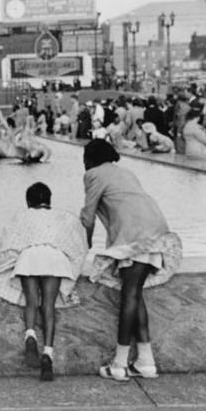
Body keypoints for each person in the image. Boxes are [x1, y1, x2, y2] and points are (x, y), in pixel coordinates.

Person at [79, 140, 182, 381]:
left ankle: (119, 364)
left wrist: (84, 246)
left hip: (134, 236)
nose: (83, 163)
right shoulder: (125, 172)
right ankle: (145, 362)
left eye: (84, 158)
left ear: (90, 157)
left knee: (129, 296)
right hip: (155, 231)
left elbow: (88, 215)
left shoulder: (93, 174)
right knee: (134, 294)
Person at [0, 182, 87, 381]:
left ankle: (30, 335)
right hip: (55, 259)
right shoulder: (64, 217)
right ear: (49, 200)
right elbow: (78, 244)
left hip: (29, 258)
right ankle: (48, 352)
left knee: (31, 302)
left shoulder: (23, 216)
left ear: (28, 201)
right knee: (48, 306)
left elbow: (7, 245)